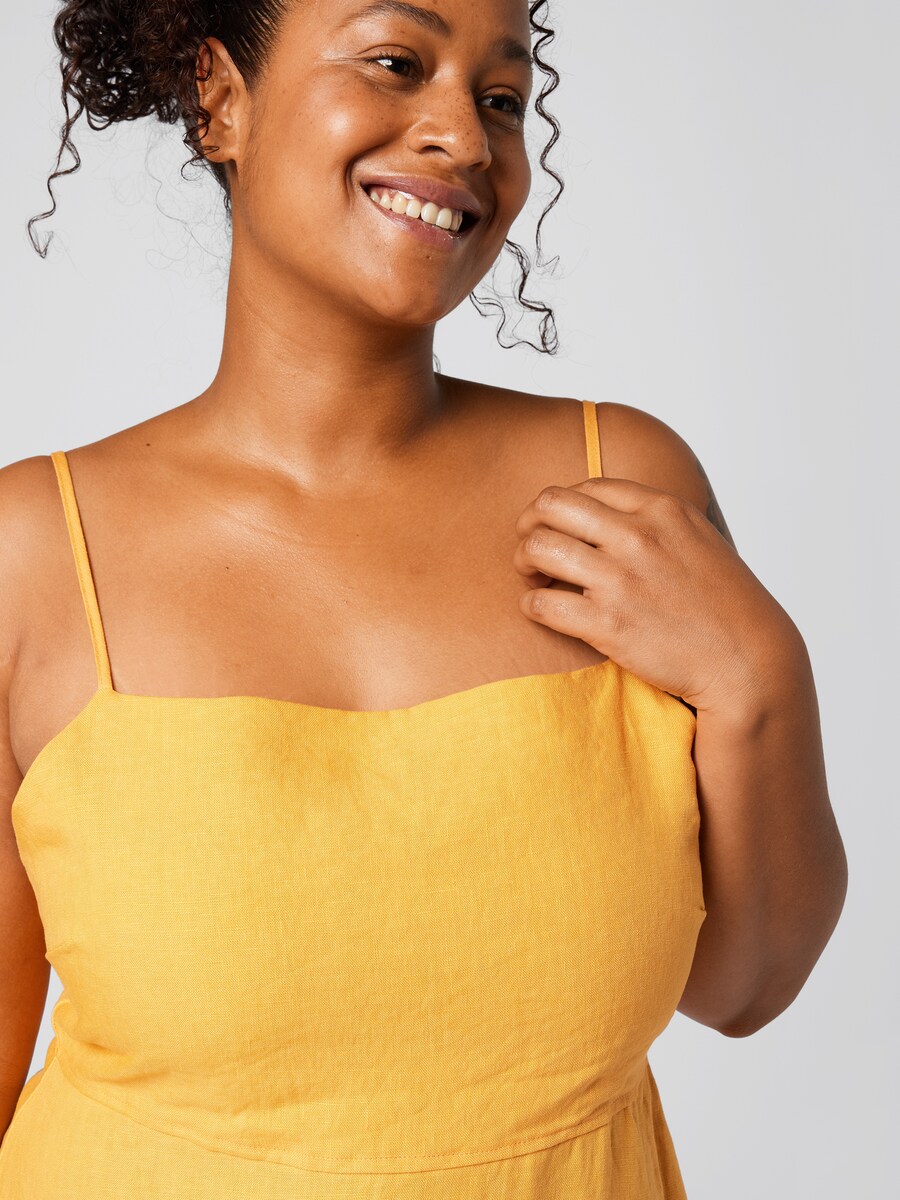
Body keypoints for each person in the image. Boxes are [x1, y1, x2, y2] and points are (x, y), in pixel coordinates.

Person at [0, 1, 848, 1196]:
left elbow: (744, 987)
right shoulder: (35, 554)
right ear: (220, 99)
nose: (464, 135)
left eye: (501, 99)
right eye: (397, 63)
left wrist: (758, 677)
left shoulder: (621, 494)